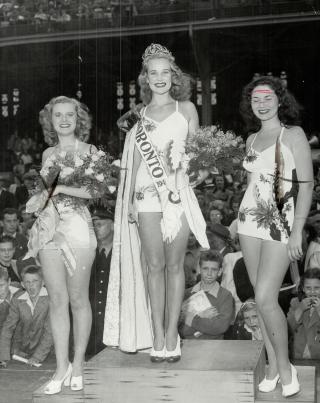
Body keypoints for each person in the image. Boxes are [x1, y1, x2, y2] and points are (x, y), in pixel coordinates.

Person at [104, 43, 209, 362]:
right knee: (154, 266)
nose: (160, 78)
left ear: (173, 76)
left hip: (176, 196)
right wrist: (130, 202)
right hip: (146, 195)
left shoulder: (186, 109)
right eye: (154, 73)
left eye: (166, 72)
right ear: (145, 78)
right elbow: (134, 157)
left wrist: (201, 171)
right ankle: (157, 334)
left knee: (175, 265)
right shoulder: (140, 114)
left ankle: (172, 333)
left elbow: (199, 151)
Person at [237, 76, 313, 397]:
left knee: (268, 299)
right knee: (259, 298)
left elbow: (306, 185)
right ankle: (270, 364)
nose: (262, 103)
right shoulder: (251, 139)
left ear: (280, 100)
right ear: (250, 105)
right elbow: (252, 183)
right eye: (256, 99)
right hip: (248, 221)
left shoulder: (292, 135)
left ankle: (285, 366)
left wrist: (298, 230)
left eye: (268, 97)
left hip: (280, 221)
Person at [24, 96, 99, 394]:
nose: (64, 120)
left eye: (70, 115)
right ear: (50, 120)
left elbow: (94, 191)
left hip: (78, 229)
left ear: (78, 119)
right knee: (56, 300)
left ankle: (78, 364)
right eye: (58, 115)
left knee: (78, 298)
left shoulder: (90, 151)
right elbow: (44, 192)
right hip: (49, 228)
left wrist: (60, 187)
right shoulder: (47, 153)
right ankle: (61, 366)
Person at [0, 266, 53, 367]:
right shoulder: (18, 299)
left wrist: (37, 357)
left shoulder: (51, 299)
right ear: (22, 284)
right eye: (27, 282)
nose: (31, 285)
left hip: (48, 353)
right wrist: (3, 357)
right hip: (22, 353)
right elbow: (8, 328)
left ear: (43, 282)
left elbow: (50, 332)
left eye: (35, 281)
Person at [179, 250, 234, 340]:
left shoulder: (226, 295)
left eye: (214, 269)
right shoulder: (187, 294)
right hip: (188, 346)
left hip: (215, 348)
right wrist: (201, 315)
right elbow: (182, 330)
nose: (209, 273)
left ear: (220, 271)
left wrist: (190, 318)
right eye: (205, 268)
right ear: (199, 269)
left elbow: (220, 327)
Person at [87, 206, 114, 356]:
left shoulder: (122, 252)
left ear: (112, 224)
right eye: (93, 226)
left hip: (113, 322)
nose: (96, 229)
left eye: (100, 224)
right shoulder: (88, 251)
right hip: (91, 326)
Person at [287, 269, 320, 360]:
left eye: (316, 288)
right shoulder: (295, 303)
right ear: (303, 289)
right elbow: (288, 330)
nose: (312, 292)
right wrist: (300, 309)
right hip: (297, 356)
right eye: (308, 288)